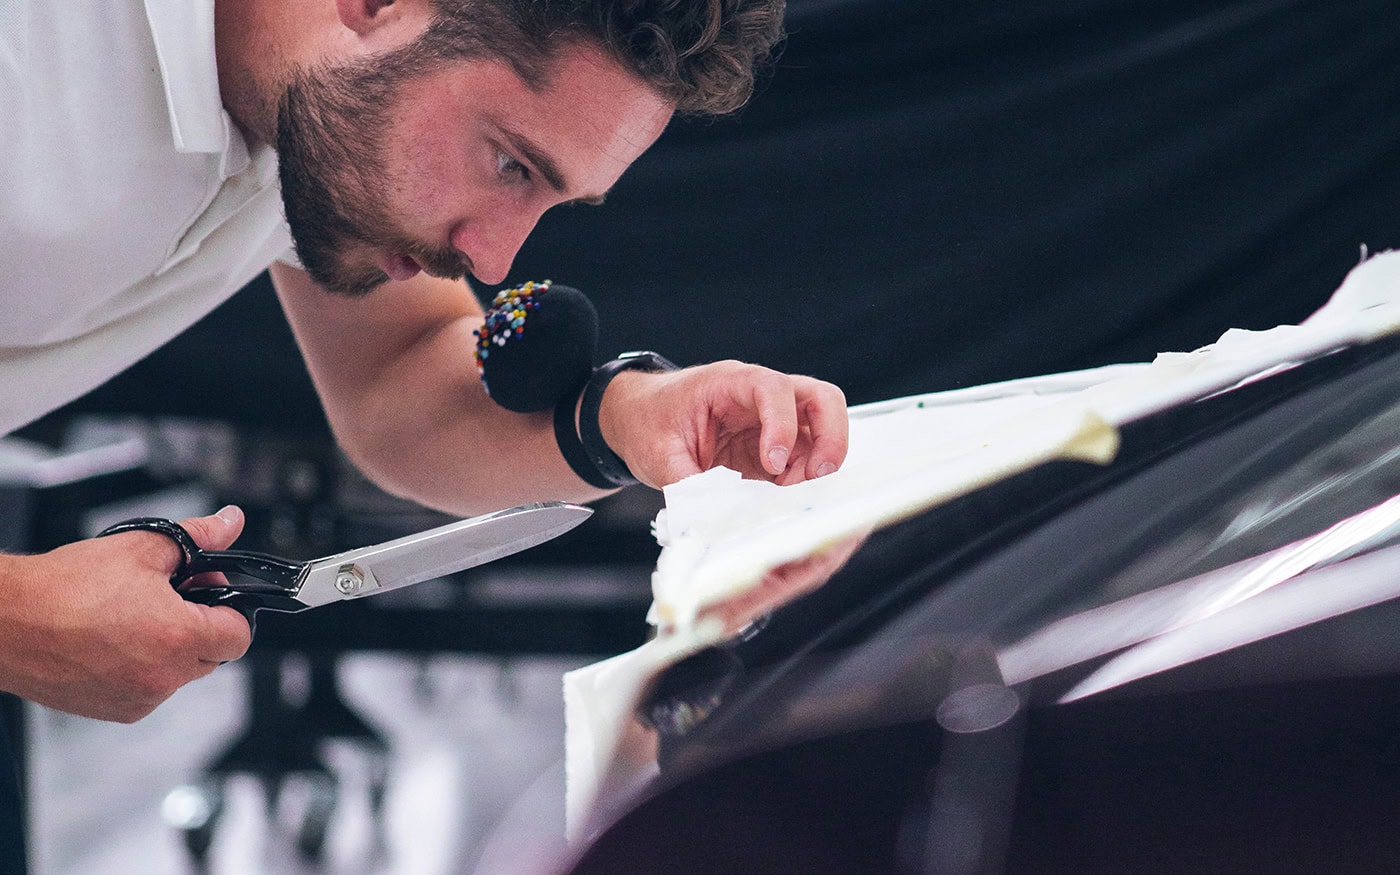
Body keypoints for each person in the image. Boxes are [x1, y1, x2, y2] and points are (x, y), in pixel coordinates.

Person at [0, 0, 848, 730]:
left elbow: (398, 372)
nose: (494, 259)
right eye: (511, 164)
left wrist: (629, 418)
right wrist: (16, 618)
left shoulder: (315, 93)